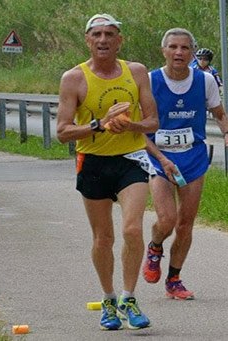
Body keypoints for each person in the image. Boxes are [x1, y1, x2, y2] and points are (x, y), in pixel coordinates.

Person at [56, 13, 159, 331]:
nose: (103, 40)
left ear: (119, 40)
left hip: (131, 158)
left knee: (132, 231)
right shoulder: (73, 78)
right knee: (104, 237)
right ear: (87, 40)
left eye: (109, 34)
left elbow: (153, 122)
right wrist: (100, 124)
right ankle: (109, 300)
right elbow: (62, 131)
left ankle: (129, 297)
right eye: (97, 34)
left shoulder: (137, 71)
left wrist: (131, 124)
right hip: (94, 162)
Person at [142, 28, 228, 300]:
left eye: (185, 48)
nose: (179, 53)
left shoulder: (205, 81)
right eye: (173, 47)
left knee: (185, 224)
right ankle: (154, 247)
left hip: (193, 157)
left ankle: (174, 279)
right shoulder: (150, 81)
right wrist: (161, 157)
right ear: (163, 50)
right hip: (158, 157)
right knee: (167, 219)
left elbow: (220, 114)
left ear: (192, 52)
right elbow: (139, 130)